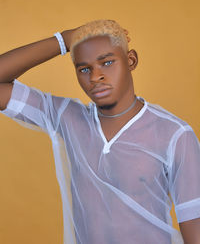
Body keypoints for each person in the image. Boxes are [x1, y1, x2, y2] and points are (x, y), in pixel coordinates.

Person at [0, 19, 200, 244]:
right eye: (84, 69)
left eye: (107, 63)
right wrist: (63, 40)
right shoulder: (67, 117)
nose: (95, 77)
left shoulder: (174, 134)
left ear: (131, 60)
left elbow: (194, 224)